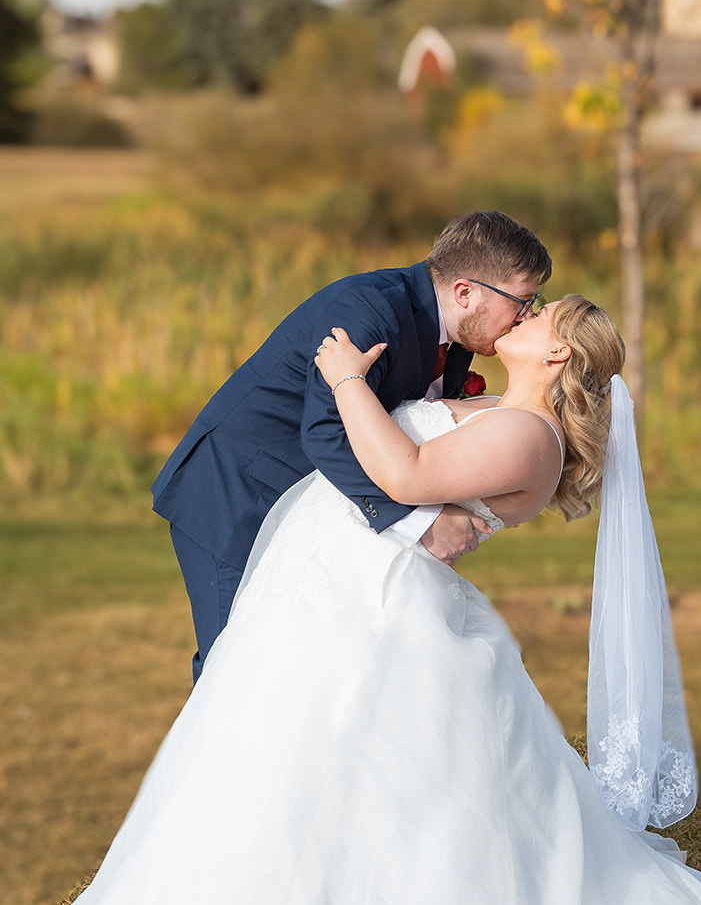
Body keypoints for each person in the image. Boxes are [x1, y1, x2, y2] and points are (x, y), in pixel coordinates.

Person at [2, 296, 701, 905]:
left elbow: (405, 472)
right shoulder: (497, 409)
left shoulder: (530, 436)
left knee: (361, 782)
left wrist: (344, 381)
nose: (523, 315)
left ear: (555, 350)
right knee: (277, 768)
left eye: (540, 315)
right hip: (333, 594)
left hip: (378, 614)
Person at [151, 209, 551, 682]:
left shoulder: (463, 332)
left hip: (318, 509)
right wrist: (422, 521)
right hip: (239, 494)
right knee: (238, 668)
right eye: (523, 301)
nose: (525, 315)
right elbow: (326, 431)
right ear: (466, 292)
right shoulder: (369, 311)